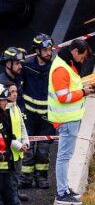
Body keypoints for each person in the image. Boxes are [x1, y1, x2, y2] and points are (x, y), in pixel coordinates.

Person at [48, 39, 94, 205]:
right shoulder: (61, 69)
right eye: (81, 57)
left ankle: (65, 189)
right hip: (66, 120)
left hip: (69, 119)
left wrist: (82, 88)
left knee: (65, 156)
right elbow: (64, 97)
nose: (82, 61)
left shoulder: (66, 63)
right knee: (64, 157)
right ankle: (62, 193)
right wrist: (83, 92)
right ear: (74, 52)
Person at [19, 33, 55, 190]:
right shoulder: (26, 67)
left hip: (47, 117)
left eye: (50, 49)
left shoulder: (54, 68)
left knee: (43, 150)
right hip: (29, 116)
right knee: (27, 148)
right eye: (45, 50)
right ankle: (26, 178)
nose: (49, 52)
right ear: (37, 50)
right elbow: (18, 89)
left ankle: (41, 177)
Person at [0, 83, 22, 205]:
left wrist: (18, 144)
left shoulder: (3, 115)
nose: (5, 101)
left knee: (12, 202)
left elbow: (9, 137)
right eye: (2, 100)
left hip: (6, 167)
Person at [0, 47, 26, 112]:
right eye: (17, 63)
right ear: (8, 64)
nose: (20, 66)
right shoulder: (2, 84)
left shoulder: (17, 77)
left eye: (20, 63)